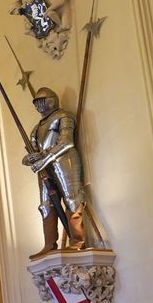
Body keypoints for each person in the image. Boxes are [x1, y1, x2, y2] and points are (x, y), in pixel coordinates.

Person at [23, 86, 102, 260]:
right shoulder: (36, 128)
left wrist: (44, 159)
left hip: (64, 160)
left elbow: (66, 142)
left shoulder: (63, 116)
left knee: (71, 197)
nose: (39, 105)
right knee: (46, 204)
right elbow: (34, 151)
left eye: (41, 101)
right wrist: (30, 159)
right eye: (37, 103)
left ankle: (78, 241)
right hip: (45, 166)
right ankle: (49, 244)